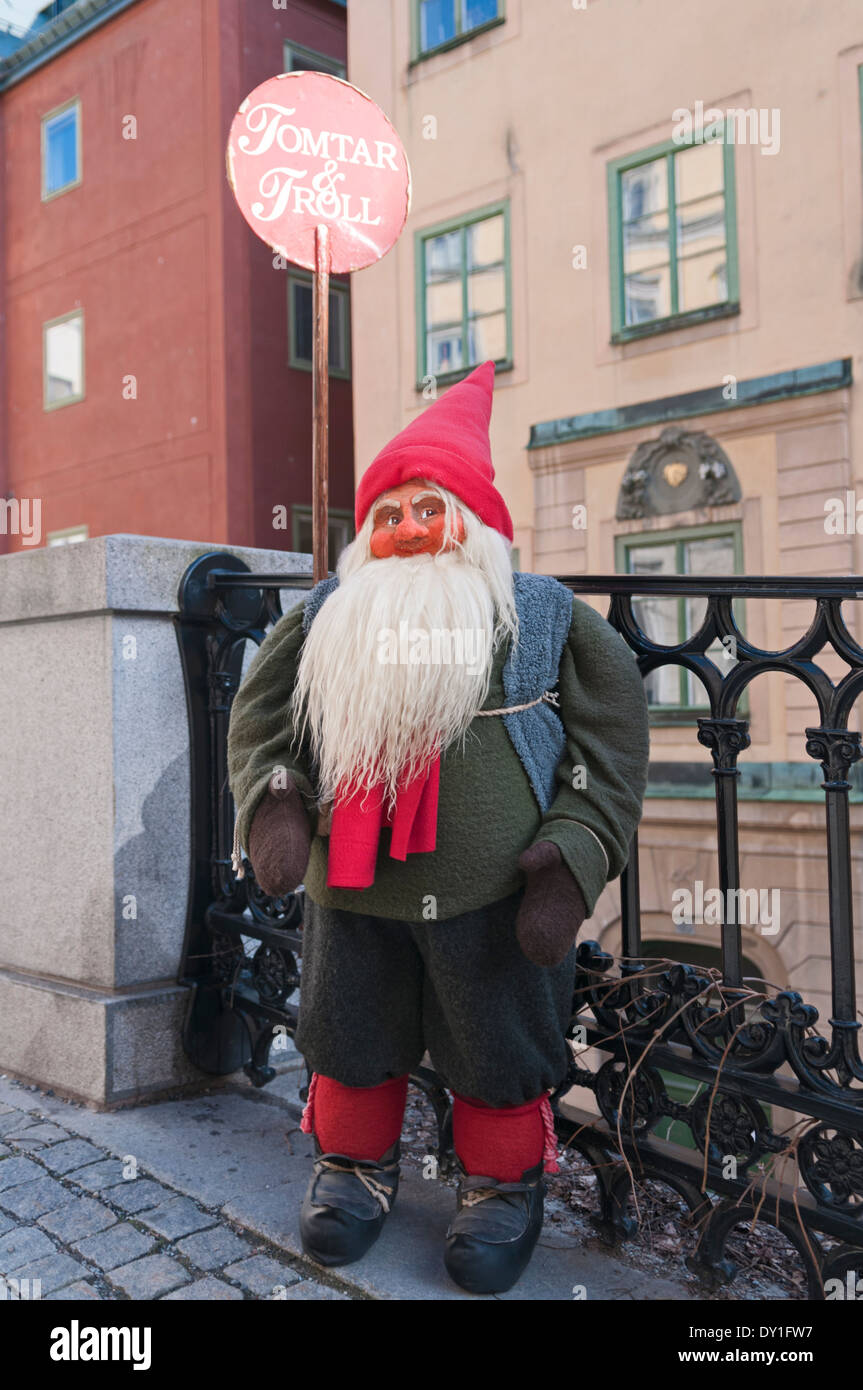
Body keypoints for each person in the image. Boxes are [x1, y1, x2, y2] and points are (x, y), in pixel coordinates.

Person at [227, 360, 649, 1294]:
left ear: (480, 527)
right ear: (363, 537)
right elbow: (264, 720)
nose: (410, 532)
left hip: (494, 888)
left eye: (431, 509)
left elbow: (610, 745)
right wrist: (280, 800)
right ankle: (351, 1170)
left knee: (496, 1040)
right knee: (347, 1025)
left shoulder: (541, 616)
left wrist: (568, 860)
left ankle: (501, 1187)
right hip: (354, 879)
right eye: (389, 516)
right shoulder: (331, 617)